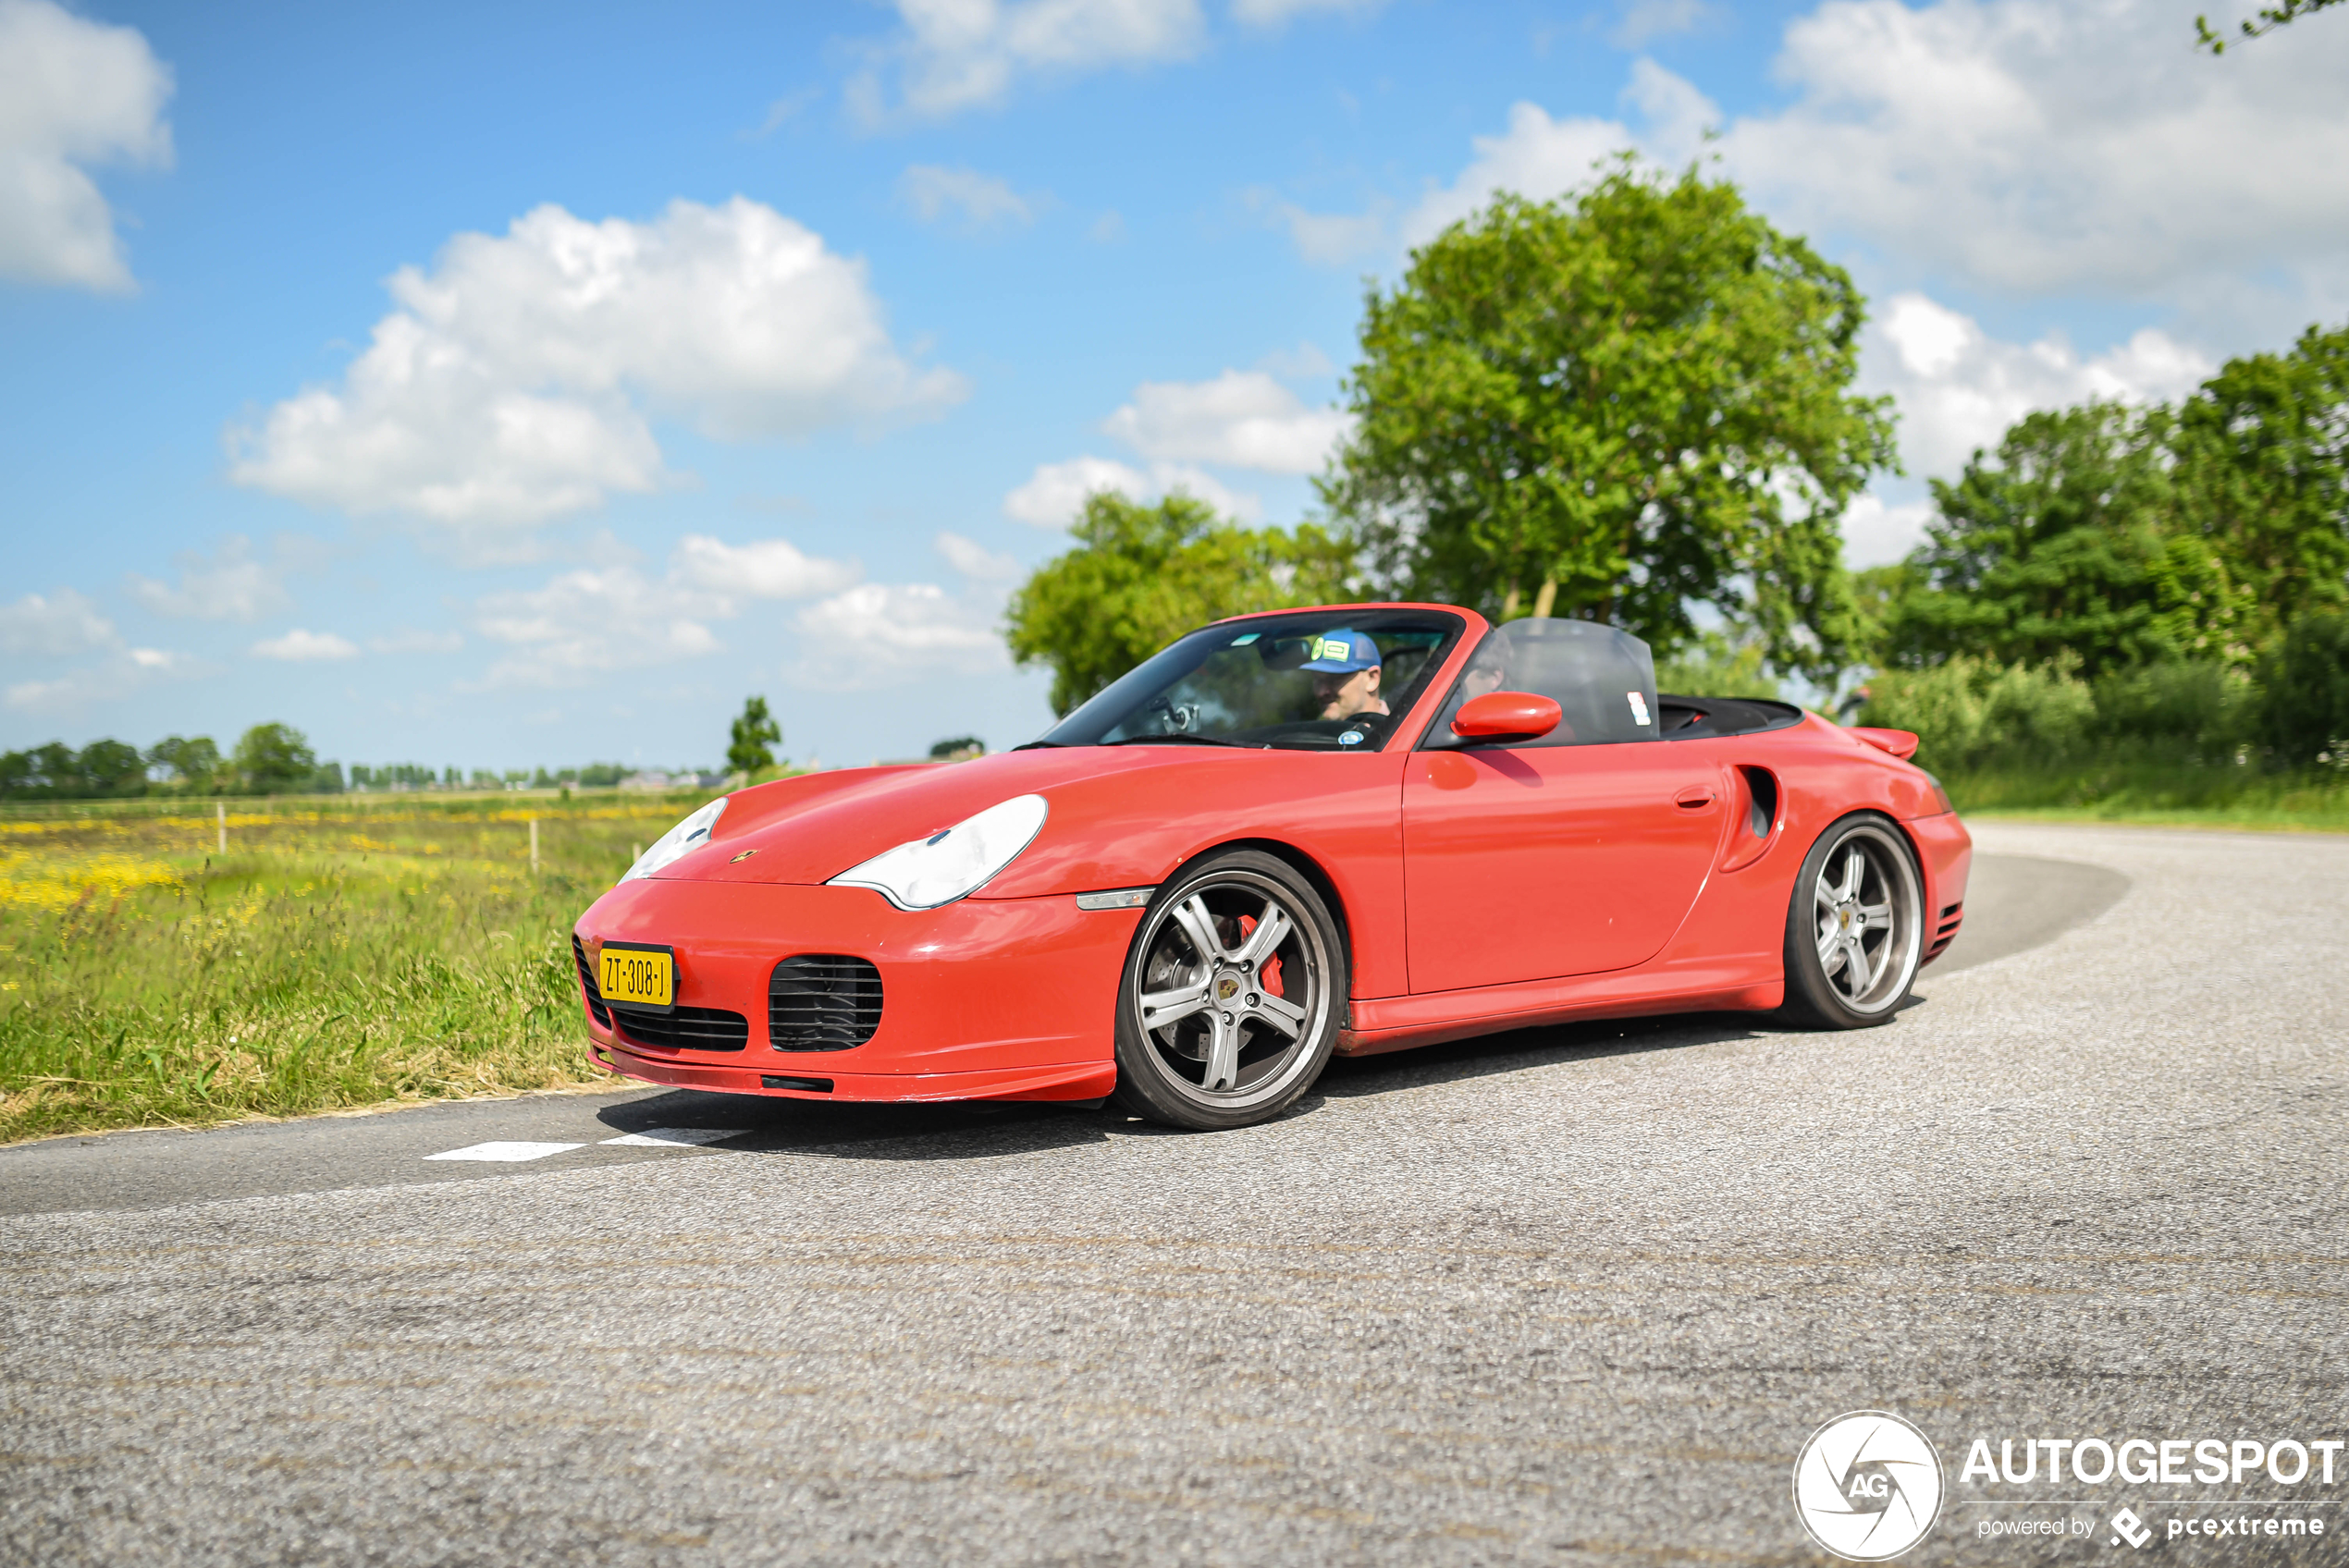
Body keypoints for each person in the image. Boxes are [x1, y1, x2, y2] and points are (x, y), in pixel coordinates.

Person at [1298, 629, 1389, 721]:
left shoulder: (1400, 733)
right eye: (1317, 679)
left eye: (1335, 679)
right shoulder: (1313, 732)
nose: (1321, 692)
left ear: (1372, 679)